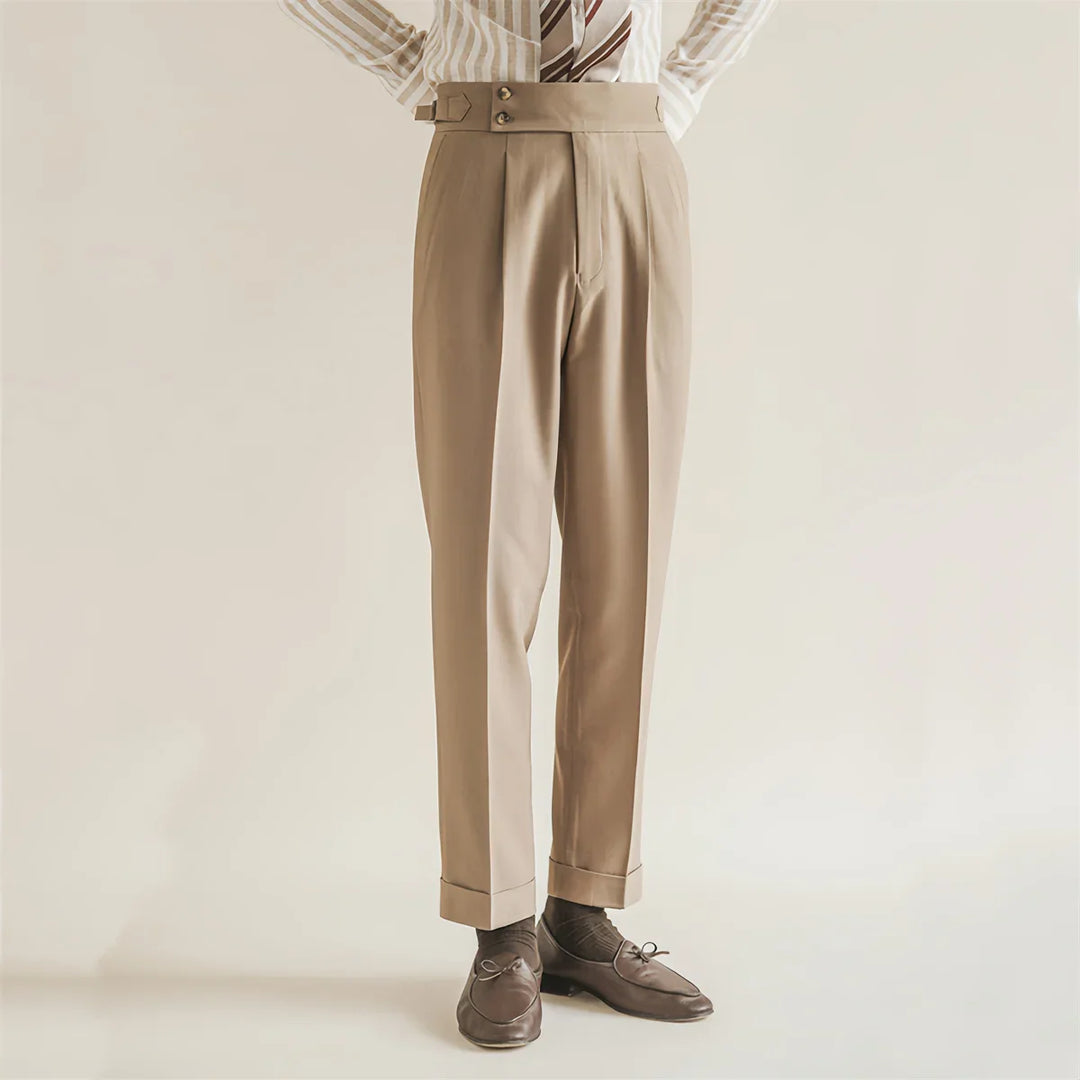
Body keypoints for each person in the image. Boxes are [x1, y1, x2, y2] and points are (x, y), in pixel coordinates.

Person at [277, 0, 777, 1049]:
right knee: (485, 566)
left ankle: (583, 912)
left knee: (626, 560)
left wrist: (682, 86)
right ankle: (500, 925)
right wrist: (410, 65)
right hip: (486, 152)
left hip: (638, 159)